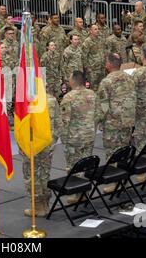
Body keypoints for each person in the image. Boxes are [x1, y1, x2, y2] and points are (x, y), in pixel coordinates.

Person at [22, 91, 62, 216]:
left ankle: (38, 207)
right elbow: (59, 124)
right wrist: (52, 142)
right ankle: (45, 205)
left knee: (32, 176)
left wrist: (22, 146)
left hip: (30, 146)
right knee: (45, 174)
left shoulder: (25, 102)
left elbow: (21, 126)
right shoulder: (51, 99)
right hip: (47, 145)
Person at [60, 71, 95, 203]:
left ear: (74, 81)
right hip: (89, 135)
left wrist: (64, 139)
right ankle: (84, 192)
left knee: (73, 166)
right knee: (86, 165)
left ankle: (76, 194)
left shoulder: (69, 97)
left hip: (74, 138)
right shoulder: (92, 94)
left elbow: (64, 121)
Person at [95, 53, 136, 162]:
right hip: (128, 120)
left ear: (109, 64)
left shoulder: (106, 82)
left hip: (112, 124)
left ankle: (113, 176)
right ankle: (123, 175)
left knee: (112, 154)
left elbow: (102, 107)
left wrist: (97, 122)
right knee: (124, 150)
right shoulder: (130, 78)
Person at [81, 24, 106, 91]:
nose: (97, 31)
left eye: (98, 29)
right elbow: (84, 55)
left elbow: (103, 52)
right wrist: (87, 67)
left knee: (102, 88)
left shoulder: (100, 40)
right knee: (94, 89)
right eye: (95, 29)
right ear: (91, 31)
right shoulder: (87, 41)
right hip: (93, 69)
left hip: (101, 68)